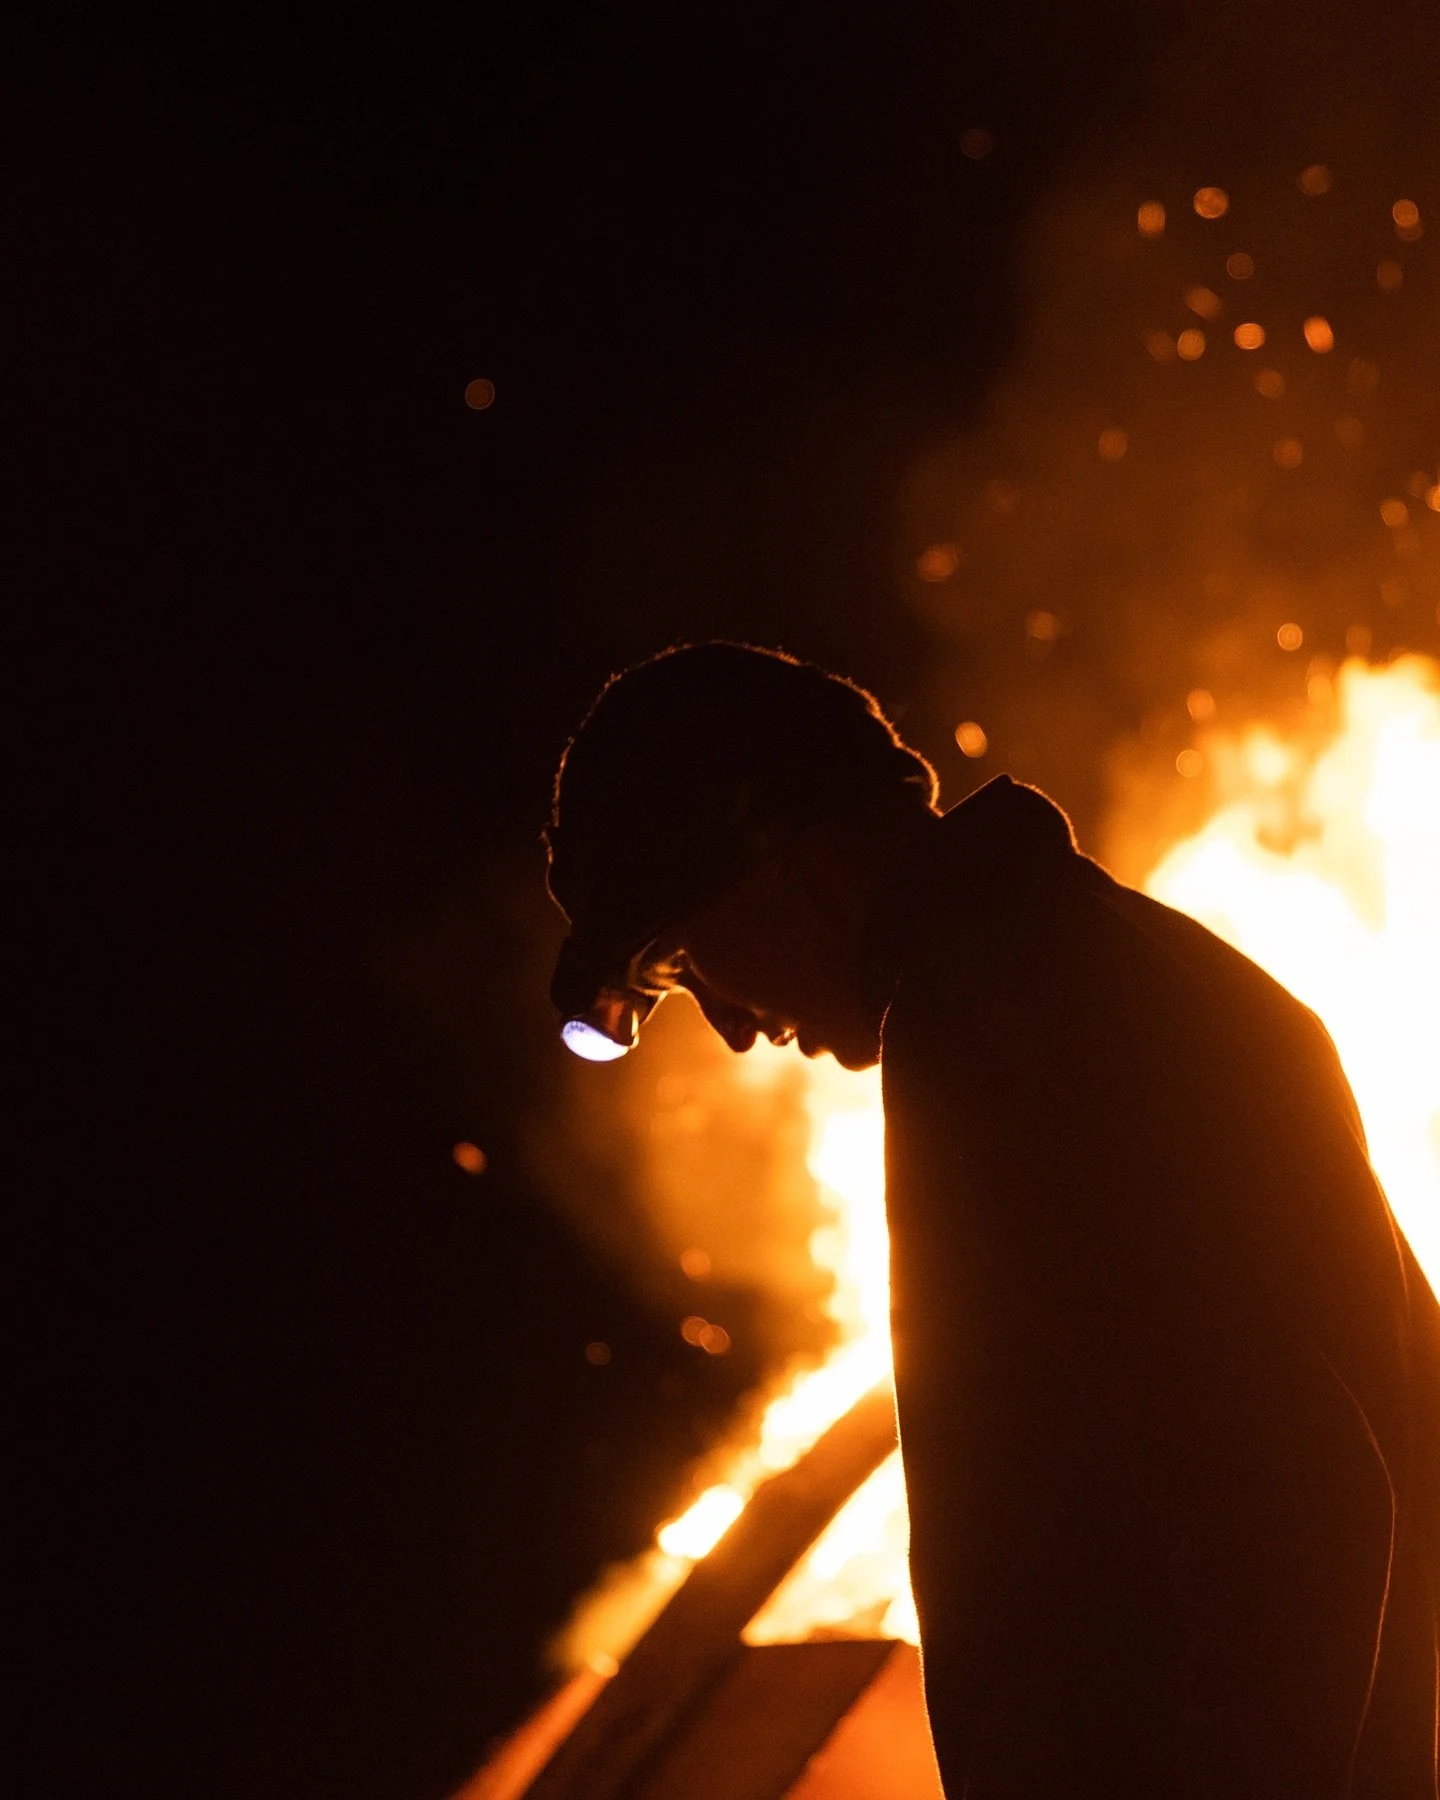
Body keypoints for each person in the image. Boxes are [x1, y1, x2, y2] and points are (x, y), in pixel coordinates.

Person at [543, 640, 1440, 1798]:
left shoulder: (1004, 1016)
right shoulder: (1134, 962)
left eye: (682, 957)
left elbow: (1295, 1487)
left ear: (780, 860)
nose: (729, 1024)